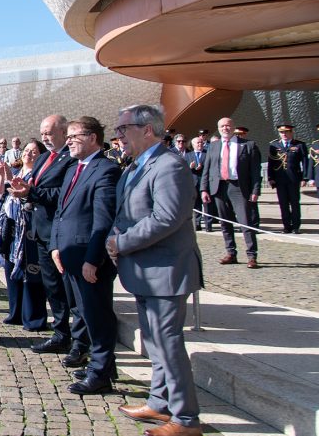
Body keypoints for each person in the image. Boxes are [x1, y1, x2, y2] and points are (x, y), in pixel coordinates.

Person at [107, 104, 204, 436]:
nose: (118, 136)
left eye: (123, 129)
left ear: (147, 129)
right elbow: (124, 214)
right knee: (156, 342)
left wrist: (122, 243)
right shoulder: (136, 166)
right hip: (145, 271)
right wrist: (114, 237)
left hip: (166, 271)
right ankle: (160, 403)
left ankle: (186, 420)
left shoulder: (169, 166)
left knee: (168, 344)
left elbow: (166, 218)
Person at [49, 117, 121, 395]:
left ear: (93, 138)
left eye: (73, 136)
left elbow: (103, 220)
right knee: (85, 313)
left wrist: (94, 259)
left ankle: (100, 374)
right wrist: (55, 245)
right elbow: (61, 211)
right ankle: (104, 365)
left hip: (89, 259)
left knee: (98, 316)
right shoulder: (72, 169)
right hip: (68, 254)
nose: (68, 141)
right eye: (67, 136)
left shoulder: (106, 170)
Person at [8, 115, 83, 359]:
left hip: (60, 233)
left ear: (64, 132)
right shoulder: (42, 159)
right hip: (40, 232)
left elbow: (65, 193)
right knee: (52, 286)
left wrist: (32, 192)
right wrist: (24, 191)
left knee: (71, 290)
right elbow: (35, 188)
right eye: (42, 133)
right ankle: (61, 333)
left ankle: (81, 340)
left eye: (49, 133)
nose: (44, 138)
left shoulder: (70, 159)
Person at [0, 140, 48, 331]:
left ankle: (34, 318)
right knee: (11, 271)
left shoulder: (40, 175)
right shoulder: (16, 172)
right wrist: (3, 175)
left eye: (34, 152)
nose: (29, 154)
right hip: (11, 229)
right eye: (26, 151)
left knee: (32, 273)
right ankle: (15, 312)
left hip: (30, 231)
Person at [201, 117, 262, 268]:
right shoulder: (213, 146)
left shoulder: (248, 145)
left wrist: (255, 190)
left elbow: (255, 171)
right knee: (225, 222)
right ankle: (231, 253)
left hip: (239, 187)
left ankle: (251, 255)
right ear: (218, 128)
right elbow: (207, 170)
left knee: (245, 222)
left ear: (233, 127)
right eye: (222, 126)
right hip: (219, 187)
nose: (225, 128)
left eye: (228, 125)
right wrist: (204, 189)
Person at [267, 124, 308, 234]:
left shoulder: (299, 145)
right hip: (280, 179)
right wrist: (270, 177)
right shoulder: (274, 145)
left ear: (291, 132)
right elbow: (271, 163)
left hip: (294, 178)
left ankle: (296, 226)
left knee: (294, 203)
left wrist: (305, 177)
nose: (284, 134)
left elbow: (305, 162)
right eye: (282, 132)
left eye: (287, 132)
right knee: (283, 203)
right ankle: (286, 226)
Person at [186, 136, 212, 232]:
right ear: (193, 145)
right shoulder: (188, 155)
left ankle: (208, 225)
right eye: (198, 143)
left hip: (205, 182)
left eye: (201, 142)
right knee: (196, 205)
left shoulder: (208, 154)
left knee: (207, 205)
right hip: (193, 183)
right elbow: (183, 170)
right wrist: (190, 167)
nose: (200, 144)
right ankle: (197, 224)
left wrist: (203, 167)